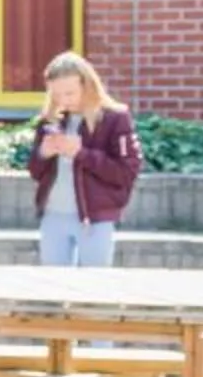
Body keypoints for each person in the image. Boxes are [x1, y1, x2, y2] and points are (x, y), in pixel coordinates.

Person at [30, 50, 139, 267]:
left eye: (69, 93)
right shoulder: (50, 120)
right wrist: (43, 154)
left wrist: (82, 154)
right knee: (53, 287)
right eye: (56, 94)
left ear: (87, 86)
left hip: (95, 218)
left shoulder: (115, 118)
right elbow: (35, 171)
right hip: (53, 215)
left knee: (94, 288)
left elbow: (126, 172)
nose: (63, 100)